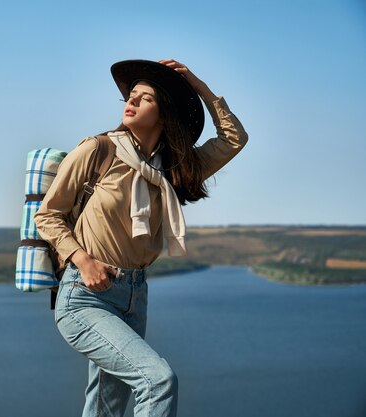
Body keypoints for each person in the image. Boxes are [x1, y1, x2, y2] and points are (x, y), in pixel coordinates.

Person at [33, 59, 248, 417]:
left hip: (134, 296)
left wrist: (197, 86)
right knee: (158, 381)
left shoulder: (174, 168)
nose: (130, 102)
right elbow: (48, 215)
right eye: (130, 96)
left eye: (145, 98)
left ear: (165, 112)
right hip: (83, 294)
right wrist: (83, 261)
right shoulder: (97, 150)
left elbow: (233, 138)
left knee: (106, 405)